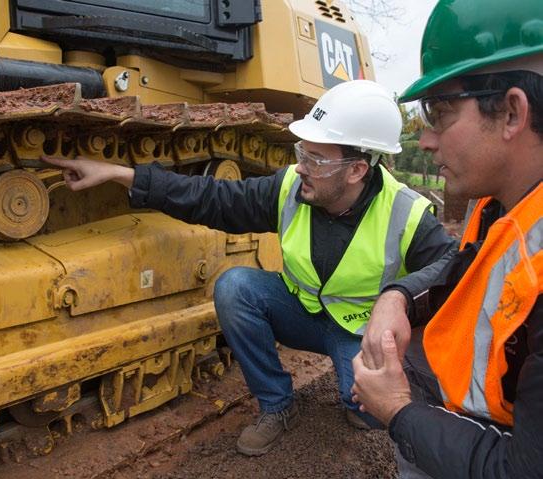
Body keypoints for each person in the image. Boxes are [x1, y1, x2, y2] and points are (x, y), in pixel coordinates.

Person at [43, 79, 455, 457]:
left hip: (359, 330)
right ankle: (277, 404)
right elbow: (212, 198)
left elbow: (451, 268)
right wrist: (121, 174)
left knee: (367, 410)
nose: (300, 168)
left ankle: (356, 394)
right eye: (301, 153)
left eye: (315, 159)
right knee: (236, 286)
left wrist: (398, 300)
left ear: (356, 170)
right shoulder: (291, 189)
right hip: (303, 315)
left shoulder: (407, 213)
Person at [351, 0, 542, 479]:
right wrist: (399, 297)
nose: (427, 140)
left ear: (512, 112)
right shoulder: (502, 203)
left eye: (440, 112)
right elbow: (462, 266)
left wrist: (398, 411)